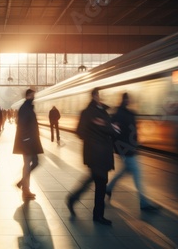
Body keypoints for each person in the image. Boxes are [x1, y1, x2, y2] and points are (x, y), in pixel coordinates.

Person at [67, 88, 119, 225]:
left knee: (95, 181)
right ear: (95, 96)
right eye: (101, 95)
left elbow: (110, 129)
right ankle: (98, 215)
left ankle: (72, 199)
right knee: (101, 184)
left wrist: (111, 129)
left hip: (103, 153)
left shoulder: (104, 112)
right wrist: (94, 138)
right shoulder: (88, 112)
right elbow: (79, 131)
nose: (103, 97)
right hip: (96, 153)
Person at [106, 93, 158, 211]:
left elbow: (131, 132)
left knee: (125, 171)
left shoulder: (126, 113)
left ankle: (108, 188)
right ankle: (144, 203)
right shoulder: (120, 115)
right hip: (126, 149)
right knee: (137, 175)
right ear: (125, 100)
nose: (129, 101)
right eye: (128, 99)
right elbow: (116, 132)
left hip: (128, 148)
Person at [13, 89, 43, 200]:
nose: (33, 97)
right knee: (28, 165)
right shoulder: (25, 108)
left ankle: (22, 184)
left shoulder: (28, 107)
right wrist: (26, 138)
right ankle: (26, 190)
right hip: (27, 142)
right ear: (27, 96)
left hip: (31, 141)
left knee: (34, 163)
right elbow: (22, 124)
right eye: (32, 95)